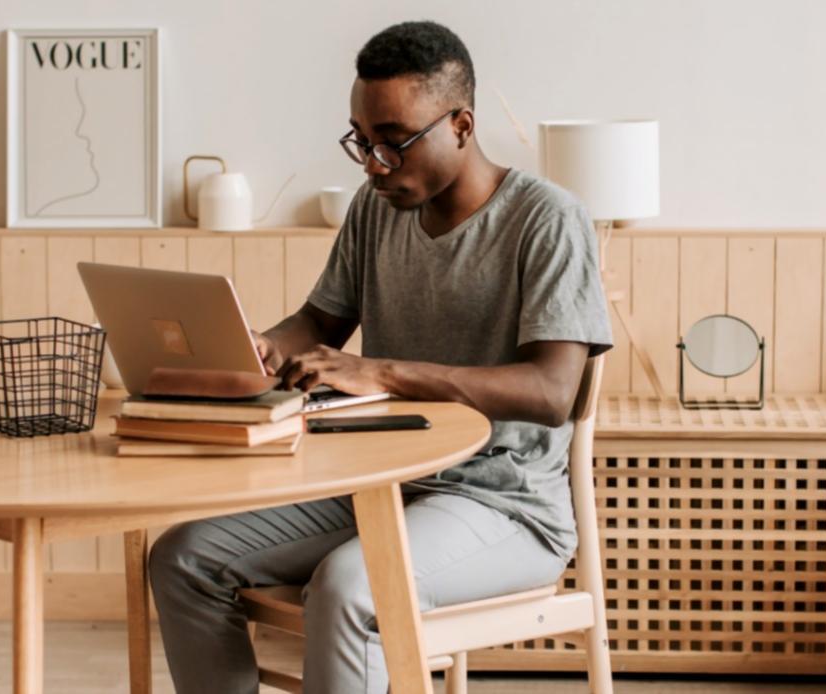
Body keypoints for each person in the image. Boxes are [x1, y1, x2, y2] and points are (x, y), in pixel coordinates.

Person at [147, 20, 612, 694]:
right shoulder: (376, 208)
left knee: (349, 588)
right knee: (183, 557)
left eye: (393, 142)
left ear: (461, 124)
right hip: (378, 484)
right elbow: (319, 322)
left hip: (503, 506)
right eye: (361, 141)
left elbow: (550, 392)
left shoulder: (548, 218)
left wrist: (385, 372)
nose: (373, 164)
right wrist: (259, 348)